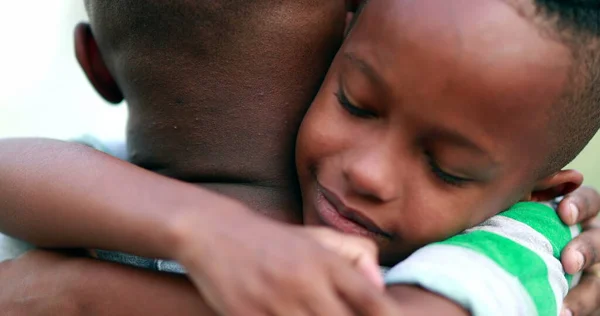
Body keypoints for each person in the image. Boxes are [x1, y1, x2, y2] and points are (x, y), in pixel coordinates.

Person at [1, 0, 600, 315]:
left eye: (448, 168)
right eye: (356, 104)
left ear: (541, 190)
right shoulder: (117, 185)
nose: (368, 171)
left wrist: (81, 297)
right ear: (346, 36)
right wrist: (210, 233)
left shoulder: (520, 242)